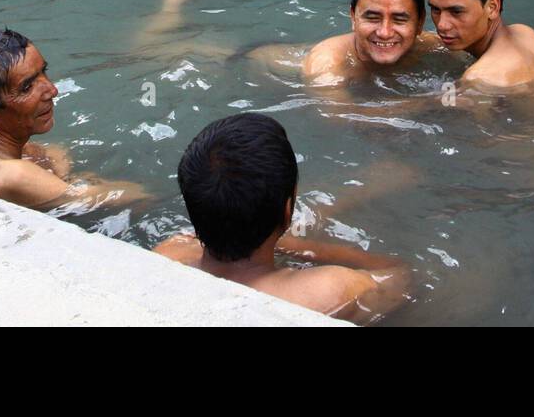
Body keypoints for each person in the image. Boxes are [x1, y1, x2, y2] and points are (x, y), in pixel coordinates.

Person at [154, 113, 410, 324]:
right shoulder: (331, 291)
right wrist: (301, 246)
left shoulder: (168, 255)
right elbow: (402, 275)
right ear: (288, 211)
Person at [0, 29, 146, 211]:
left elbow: (37, 154)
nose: (52, 90)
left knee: (55, 153)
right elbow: (124, 198)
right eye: (27, 87)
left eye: (44, 72)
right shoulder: (14, 176)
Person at [298, 0, 444, 85]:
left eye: (399, 19)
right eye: (373, 18)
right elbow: (341, 111)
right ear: (353, 17)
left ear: (420, 22)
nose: (384, 33)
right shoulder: (326, 66)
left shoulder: (430, 46)